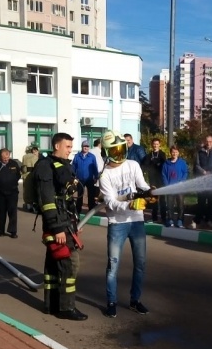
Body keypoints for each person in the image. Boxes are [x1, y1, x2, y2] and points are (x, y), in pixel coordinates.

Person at [32, 132, 87, 320]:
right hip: (57, 224)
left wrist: (75, 223)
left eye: (71, 147)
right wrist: (57, 229)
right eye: (68, 147)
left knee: (54, 265)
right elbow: (47, 200)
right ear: (57, 146)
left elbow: (68, 199)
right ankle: (66, 308)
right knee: (70, 265)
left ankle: (51, 305)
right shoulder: (45, 167)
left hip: (66, 222)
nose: (71, 151)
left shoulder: (63, 166)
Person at [98, 130, 153, 318]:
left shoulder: (133, 165)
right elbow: (111, 203)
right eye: (114, 151)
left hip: (136, 220)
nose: (119, 154)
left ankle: (135, 301)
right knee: (113, 265)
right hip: (117, 223)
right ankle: (111, 301)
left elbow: (142, 185)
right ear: (106, 153)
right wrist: (129, 203)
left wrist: (150, 193)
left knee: (141, 264)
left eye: (121, 149)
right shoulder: (104, 175)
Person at [0, 148, 22, 238]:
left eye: (8, 157)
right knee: (1, 212)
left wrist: (11, 182)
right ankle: (0, 231)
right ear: (0, 157)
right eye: (4, 158)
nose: (6, 159)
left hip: (12, 192)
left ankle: (13, 232)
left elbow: (18, 175)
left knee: (12, 212)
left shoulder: (14, 164)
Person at [191, 134, 212, 229]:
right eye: (207, 141)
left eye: (210, 141)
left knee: (211, 201)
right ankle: (197, 220)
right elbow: (196, 164)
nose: (208, 143)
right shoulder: (200, 152)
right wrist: (203, 172)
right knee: (201, 201)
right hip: (202, 179)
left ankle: (209, 220)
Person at [162, 145, 189, 228]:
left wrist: (182, 181)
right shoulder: (166, 163)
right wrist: (167, 185)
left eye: (176, 152)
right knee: (170, 205)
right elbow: (163, 175)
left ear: (178, 153)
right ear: (170, 153)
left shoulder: (182, 163)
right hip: (170, 188)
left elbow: (186, 172)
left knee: (180, 205)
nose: (174, 153)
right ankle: (170, 219)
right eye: (173, 152)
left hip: (180, 188)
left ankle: (180, 220)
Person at [143, 138, 167, 224]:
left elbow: (163, 165)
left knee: (162, 200)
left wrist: (155, 163)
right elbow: (145, 165)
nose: (155, 145)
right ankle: (154, 218)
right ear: (152, 145)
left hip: (161, 180)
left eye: (157, 144)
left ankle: (164, 218)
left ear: (159, 145)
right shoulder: (149, 155)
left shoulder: (162, 154)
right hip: (152, 180)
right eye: (154, 144)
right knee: (154, 200)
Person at [71, 140, 99, 213]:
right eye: (84, 146)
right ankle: (78, 210)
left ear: (89, 147)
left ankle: (91, 210)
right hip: (80, 179)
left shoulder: (92, 157)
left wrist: (96, 176)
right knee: (80, 195)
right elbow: (73, 167)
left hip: (89, 179)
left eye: (87, 146)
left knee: (91, 195)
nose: (86, 148)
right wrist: (73, 176)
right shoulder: (77, 156)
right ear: (82, 147)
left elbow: (95, 167)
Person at [21, 144, 40, 212]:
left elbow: (23, 167)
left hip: (26, 175)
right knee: (33, 190)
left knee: (26, 190)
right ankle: (34, 204)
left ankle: (28, 204)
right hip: (33, 175)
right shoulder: (35, 157)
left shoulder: (24, 157)